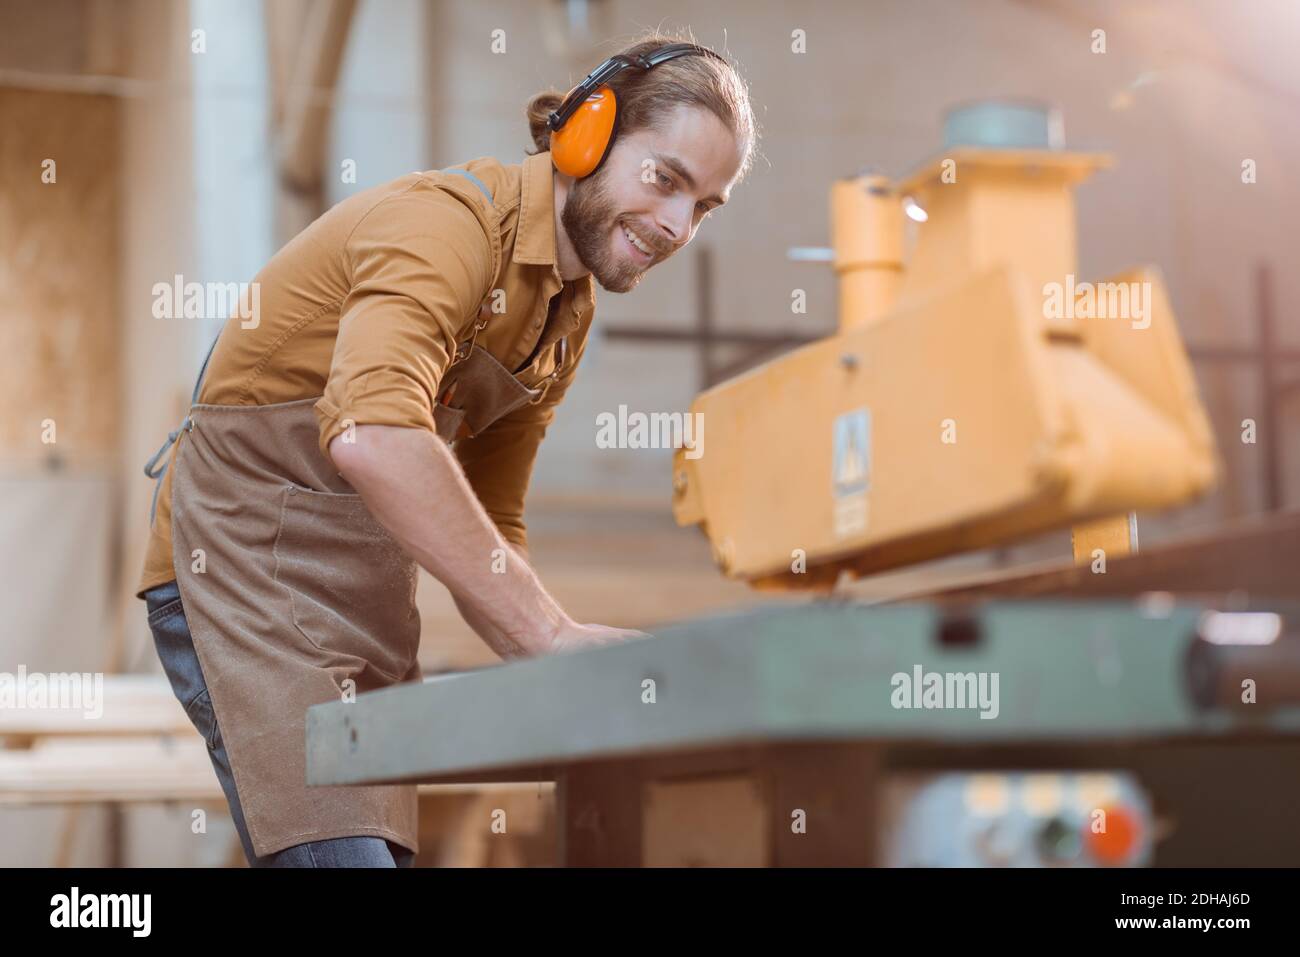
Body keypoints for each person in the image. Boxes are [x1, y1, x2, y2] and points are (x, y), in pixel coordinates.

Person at [138, 32, 756, 867]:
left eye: (704, 206)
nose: (679, 226)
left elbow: (493, 517)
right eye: (666, 179)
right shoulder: (445, 226)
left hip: (362, 596)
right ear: (588, 133)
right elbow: (373, 434)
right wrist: (545, 634)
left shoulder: (566, 315)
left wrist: (548, 662)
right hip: (237, 568)